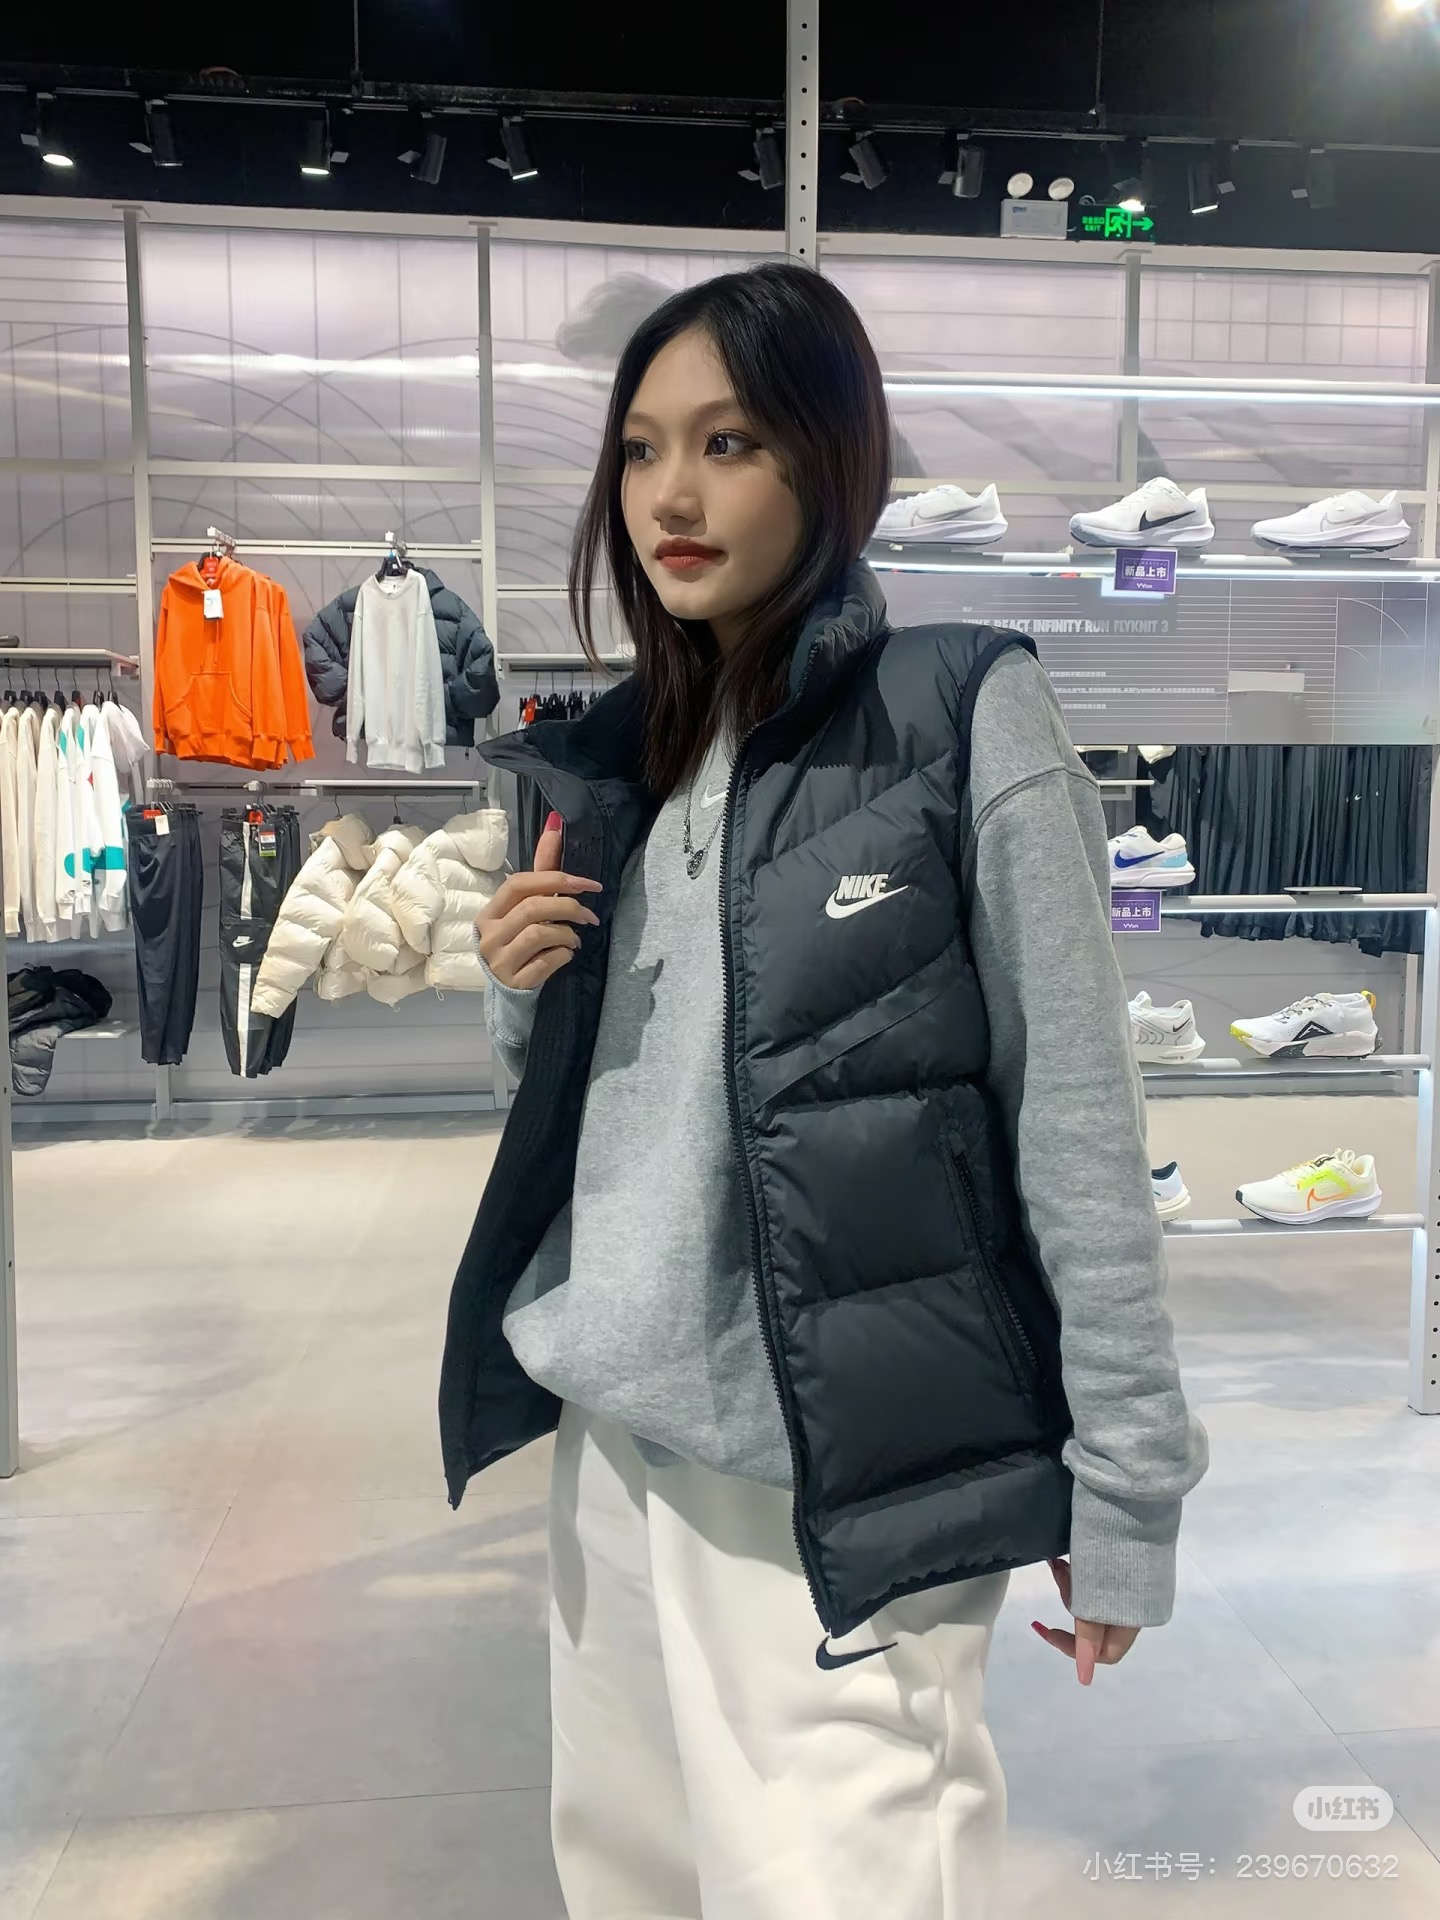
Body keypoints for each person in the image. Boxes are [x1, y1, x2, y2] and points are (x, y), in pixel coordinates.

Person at [441, 261, 1208, 1920]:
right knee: (629, 1884)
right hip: (614, 1438)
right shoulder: (614, 757)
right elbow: (592, 1120)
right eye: (641, 449)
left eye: (729, 442)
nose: (671, 495)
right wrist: (523, 987)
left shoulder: (959, 712)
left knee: (848, 1883)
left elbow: (1078, 1123)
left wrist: (1127, 1481)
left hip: (847, 1465)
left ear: (830, 457)